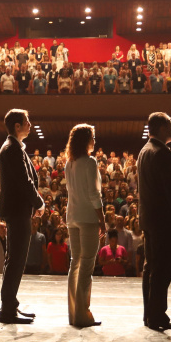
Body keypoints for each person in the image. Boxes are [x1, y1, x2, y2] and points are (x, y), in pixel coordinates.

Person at [138, 112, 171, 331]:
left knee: (151, 267)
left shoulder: (144, 151)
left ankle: (150, 314)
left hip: (149, 219)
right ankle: (158, 316)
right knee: (162, 269)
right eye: (170, 125)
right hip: (163, 220)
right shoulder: (162, 152)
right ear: (160, 128)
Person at [0, 108, 43, 324]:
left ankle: (10, 306)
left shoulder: (15, 147)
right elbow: (25, 182)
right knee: (15, 261)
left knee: (14, 260)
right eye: (27, 121)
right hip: (17, 211)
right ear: (17, 126)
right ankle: (7, 311)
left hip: (17, 210)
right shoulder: (12, 149)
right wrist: (39, 202)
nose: (30, 124)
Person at [64, 123, 106, 327]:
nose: (95, 141)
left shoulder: (68, 163)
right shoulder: (90, 162)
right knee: (87, 265)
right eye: (93, 137)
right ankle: (83, 314)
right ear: (85, 140)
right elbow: (94, 194)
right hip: (88, 217)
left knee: (75, 263)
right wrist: (102, 218)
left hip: (72, 216)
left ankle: (74, 313)